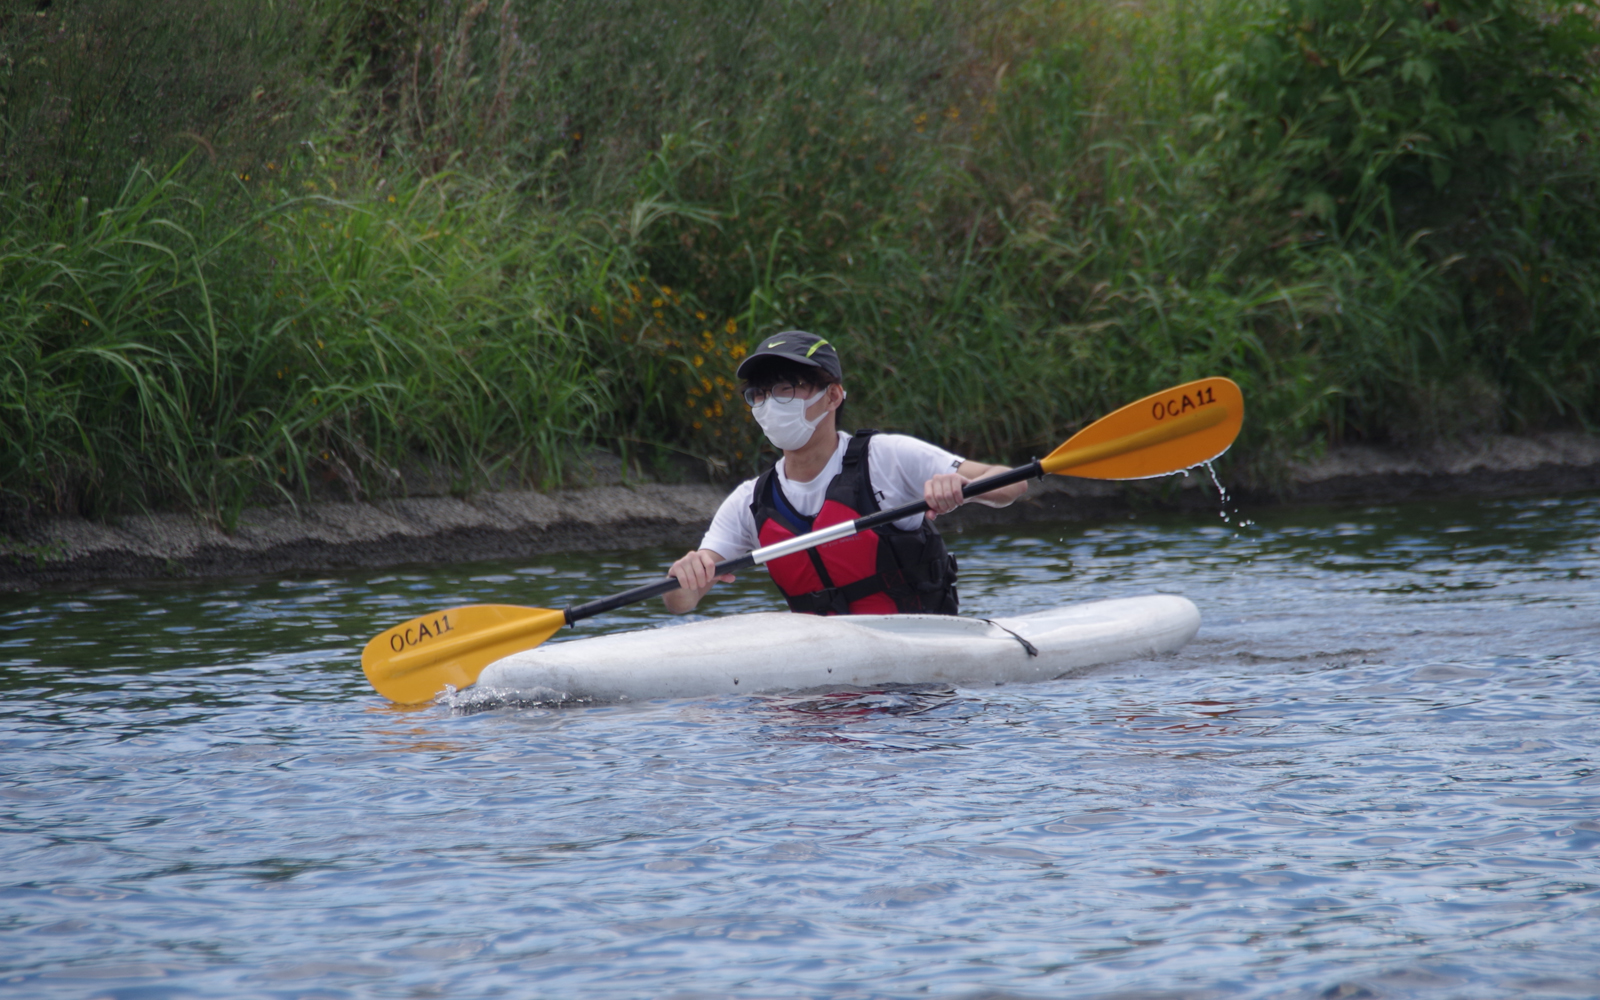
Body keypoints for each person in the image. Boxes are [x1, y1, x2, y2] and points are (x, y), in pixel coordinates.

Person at [665, 331, 1027, 616]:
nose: (769, 404)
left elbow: (1011, 482)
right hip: (825, 679)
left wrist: (961, 485)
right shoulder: (749, 501)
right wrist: (686, 574)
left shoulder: (887, 457)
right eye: (759, 394)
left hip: (918, 683)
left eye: (785, 389)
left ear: (833, 395)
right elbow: (681, 603)